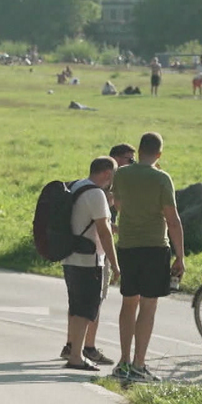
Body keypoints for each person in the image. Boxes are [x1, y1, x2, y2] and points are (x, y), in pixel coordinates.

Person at [111, 132, 185, 382]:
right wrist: (180, 257)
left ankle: (123, 361)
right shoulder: (162, 178)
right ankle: (139, 364)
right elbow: (173, 220)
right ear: (159, 154)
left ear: (140, 150)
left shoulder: (121, 174)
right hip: (154, 245)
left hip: (127, 245)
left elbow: (118, 203)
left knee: (128, 301)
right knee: (148, 304)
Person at [61, 157, 121, 371]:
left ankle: (74, 353)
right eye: (113, 175)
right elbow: (104, 233)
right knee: (86, 310)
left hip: (70, 256)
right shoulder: (96, 194)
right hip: (89, 260)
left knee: (77, 308)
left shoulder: (77, 186)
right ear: (106, 173)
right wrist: (115, 264)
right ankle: (76, 357)